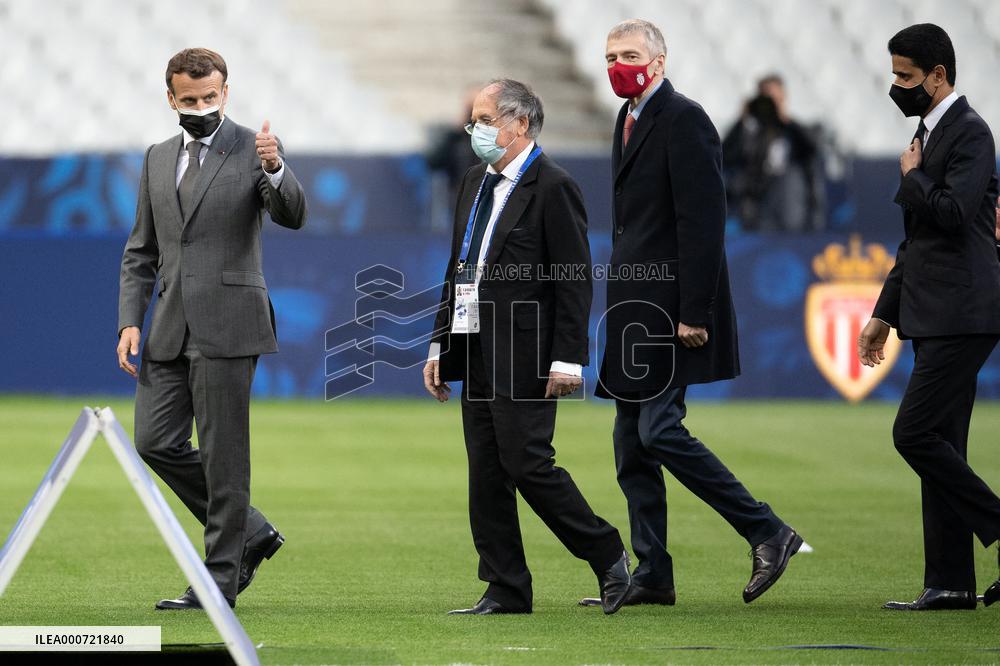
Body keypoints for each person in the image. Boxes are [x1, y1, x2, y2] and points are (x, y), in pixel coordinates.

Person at [581, 19, 803, 609]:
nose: (617, 65)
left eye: (628, 54)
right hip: (633, 307)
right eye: (609, 56)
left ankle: (766, 530)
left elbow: (703, 221)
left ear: (658, 60)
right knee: (631, 446)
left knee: (659, 430)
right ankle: (652, 574)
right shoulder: (627, 119)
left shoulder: (685, 119)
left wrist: (695, 310)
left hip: (671, 310)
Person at [422, 78, 631, 616]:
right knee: (486, 470)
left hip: (527, 349)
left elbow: (574, 278)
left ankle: (605, 550)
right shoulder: (473, 180)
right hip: (474, 344)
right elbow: (459, 268)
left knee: (527, 462)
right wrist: (438, 344)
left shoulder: (554, 184)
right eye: (474, 120)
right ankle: (506, 587)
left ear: (520, 124)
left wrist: (568, 357)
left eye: (485, 119)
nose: (474, 130)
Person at [117, 48, 307, 610]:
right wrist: (130, 319)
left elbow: (293, 213)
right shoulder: (155, 158)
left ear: (226, 93)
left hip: (230, 324)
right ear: (170, 98)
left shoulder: (254, 148)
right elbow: (140, 250)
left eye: (211, 97)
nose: (201, 106)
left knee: (225, 458)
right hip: (168, 327)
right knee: (153, 441)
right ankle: (251, 529)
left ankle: (218, 582)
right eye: (190, 99)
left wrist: (275, 167)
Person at [858, 23, 1000, 611]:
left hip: (964, 313)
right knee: (943, 442)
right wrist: (881, 316)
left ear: (938, 75)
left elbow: (950, 214)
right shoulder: (928, 136)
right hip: (934, 312)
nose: (898, 87)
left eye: (906, 77)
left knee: (912, 434)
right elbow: (915, 246)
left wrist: (913, 177)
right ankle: (950, 583)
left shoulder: (969, 133)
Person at [722, 74, 824, 232]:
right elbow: (725, 155)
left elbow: (810, 150)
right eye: (765, 98)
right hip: (758, 206)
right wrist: (742, 120)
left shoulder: (793, 131)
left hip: (790, 209)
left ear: (783, 98)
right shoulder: (751, 132)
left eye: (774, 98)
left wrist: (784, 118)